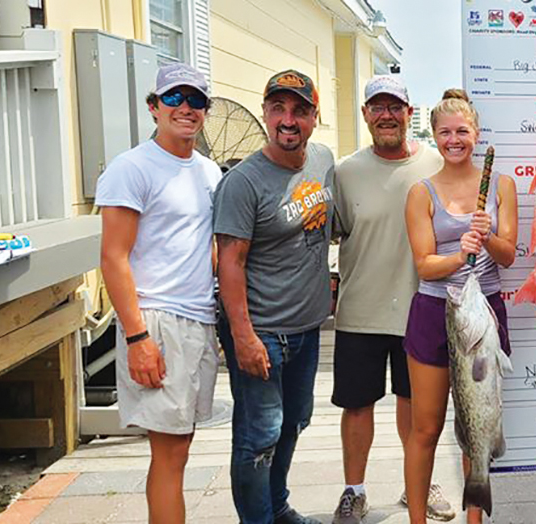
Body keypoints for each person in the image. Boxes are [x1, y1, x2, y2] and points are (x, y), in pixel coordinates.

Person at [98, 62, 221, 524]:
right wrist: (137, 338)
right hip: (155, 321)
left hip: (198, 320)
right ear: (154, 107)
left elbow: (207, 247)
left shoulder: (208, 171)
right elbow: (113, 257)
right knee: (168, 453)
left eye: (196, 100)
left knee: (180, 445)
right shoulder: (131, 168)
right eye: (174, 98)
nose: (185, 108)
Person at [330, 75, 455, 524]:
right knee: (356, 406)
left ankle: (418, 484)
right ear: (366, 114)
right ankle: (354, 491)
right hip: (359, 311)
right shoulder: (344, 172)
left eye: (395, 107)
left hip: (421, 310)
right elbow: (333, 231)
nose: (386, 115)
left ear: (409, 113)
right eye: (378, 107)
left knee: (417, 408)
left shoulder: (436, 164)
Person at [212, 69, 334, 524]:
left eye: (300, 110)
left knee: (293, 423)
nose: (288, 119)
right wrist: (243, 337)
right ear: (264, 113)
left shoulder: (322, 160)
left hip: (307, 326)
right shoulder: (243, 182)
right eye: (278, 108)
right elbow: (230, 262)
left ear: (314, 117)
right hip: (262, 331)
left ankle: (277, 506)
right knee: (258, 435)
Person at [403, 89, 518, 524]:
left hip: (484, 310)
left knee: (476, 425)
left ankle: (475, 520)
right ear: (434, 136)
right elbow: (424, 265)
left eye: (462, 131)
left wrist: (487, 237)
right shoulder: (421, 193)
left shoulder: (501, 185)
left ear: (477, 133)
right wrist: (459, 255)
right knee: (426, 427)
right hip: (435, 312)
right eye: (445, 132)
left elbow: (508, 256)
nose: (454, 140)